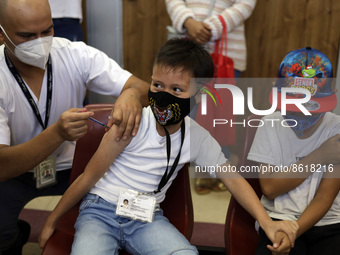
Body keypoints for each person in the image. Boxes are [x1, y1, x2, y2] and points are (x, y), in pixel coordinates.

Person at [39, 38, 298, 254]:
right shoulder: (132, 123)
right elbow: (89, 176)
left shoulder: (197, 137)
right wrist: (53, 219)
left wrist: (267, 223)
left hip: (146, 218)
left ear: (200, 94)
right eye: (157, 85)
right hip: (100, 211)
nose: (164, 96)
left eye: (177, 89)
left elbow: (233, 180)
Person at [0, 0, 149, 254]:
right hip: (16, 171)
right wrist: (57, 134)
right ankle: (14, 238)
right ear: (2, 35)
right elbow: (2, 166)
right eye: (26, 36)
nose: (39, 42)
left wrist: (131, 96)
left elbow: (142, 88)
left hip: (76, 167)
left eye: (47, 31)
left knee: (122, 216)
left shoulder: (74, 53)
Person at [247, 47, 340, 254]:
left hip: (330, 224)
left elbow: (325, 197)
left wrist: (293, 232)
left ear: (331, 96)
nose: (303, 115)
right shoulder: (269, 124)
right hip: (277, 219)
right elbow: (270, 188)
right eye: (295, 107)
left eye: (310, 108)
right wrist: (321, 155)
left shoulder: (337, 129)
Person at [165, 0, 256, 193]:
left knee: (217, 114)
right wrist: (188, 21)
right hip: (187, 49)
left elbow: (246, 4)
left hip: (226, 52)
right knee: (188, 113)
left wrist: (211, 28)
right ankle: (216, 164)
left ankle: (214, 167)